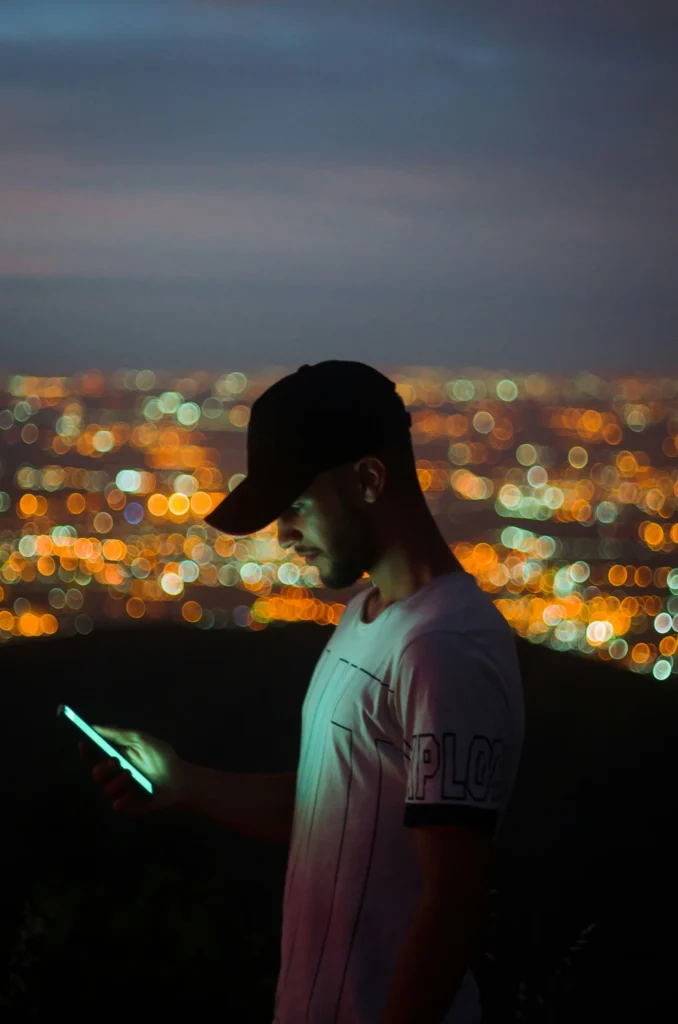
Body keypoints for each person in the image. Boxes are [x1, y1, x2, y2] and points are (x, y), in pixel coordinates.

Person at [85, 361, 525, 1024]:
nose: (282, 535)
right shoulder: (366, 618)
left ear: (369, 478)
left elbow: (453, 903)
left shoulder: (443, 648)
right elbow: (329, 808)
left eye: (293, 505)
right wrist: (183, 780)